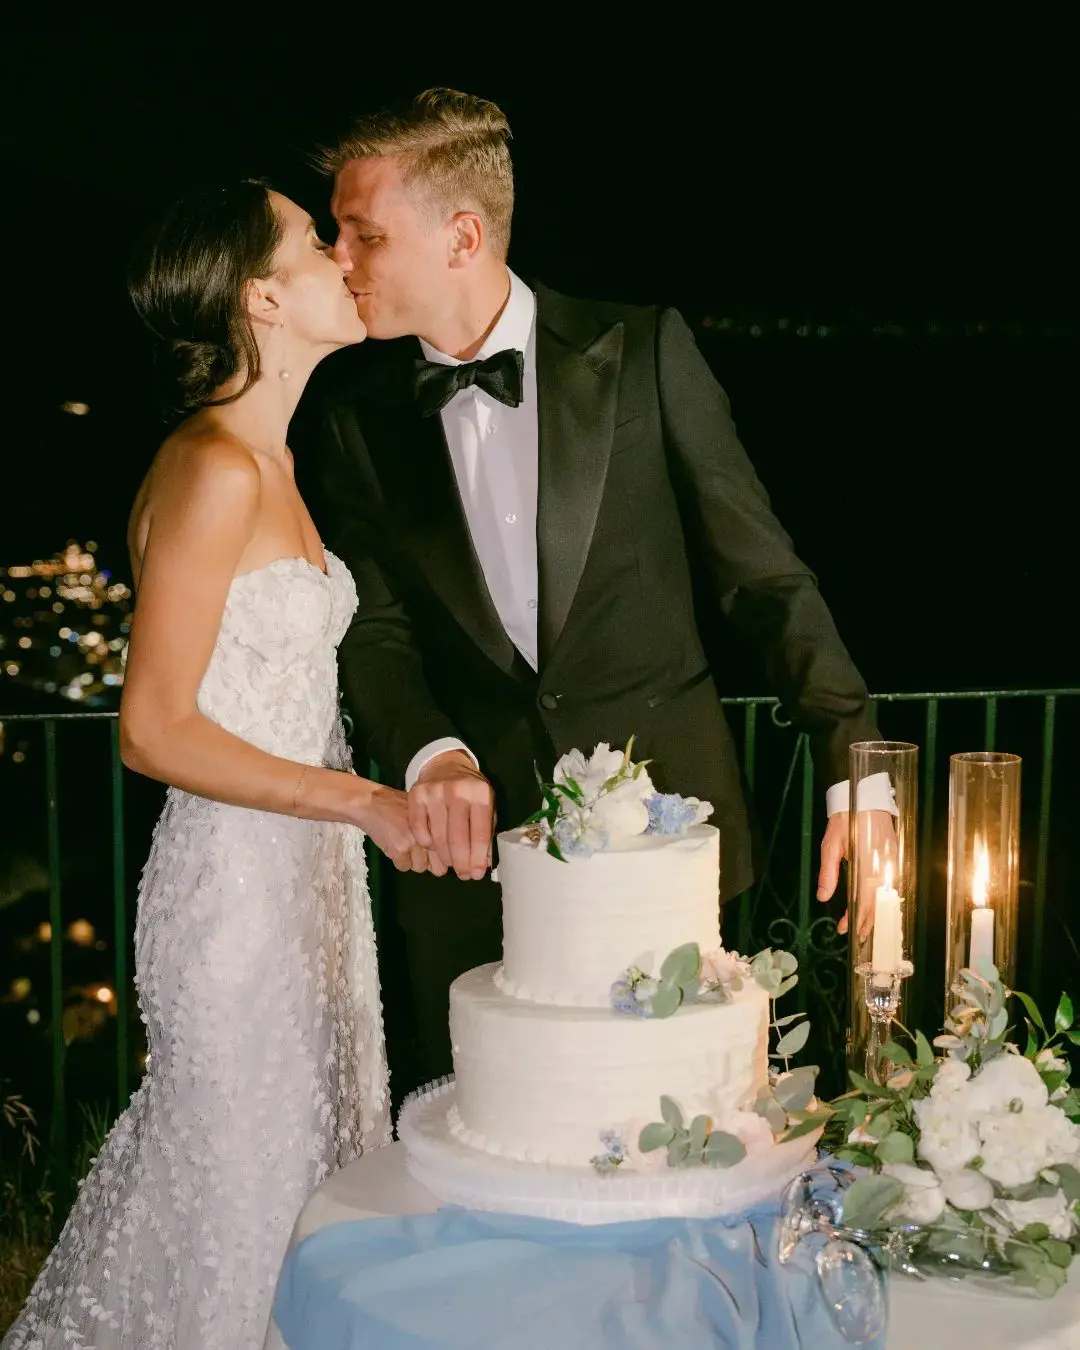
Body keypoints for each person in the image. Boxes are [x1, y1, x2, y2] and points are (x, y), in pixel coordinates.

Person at [291, 88, 884, 1105]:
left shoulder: (644, 351)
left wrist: (854, 763)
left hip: (671, 854)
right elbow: (376, 632)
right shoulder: (355, 422)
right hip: (468, 878)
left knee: (688, 1133)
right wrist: (431, 753)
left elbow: (763, 577)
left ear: (461, 236)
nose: (339, 259)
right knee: (493, 1146)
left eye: (364, 234)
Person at [2, 181, 434, 1350]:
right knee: (245, 1209)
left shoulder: (273, 459)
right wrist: (365, 801)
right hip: (237, 902)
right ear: (262, 298)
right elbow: (152, 729)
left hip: (310, 889)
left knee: (310, 1195)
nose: (344, 256)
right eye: (314, 242)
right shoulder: (216, 467)